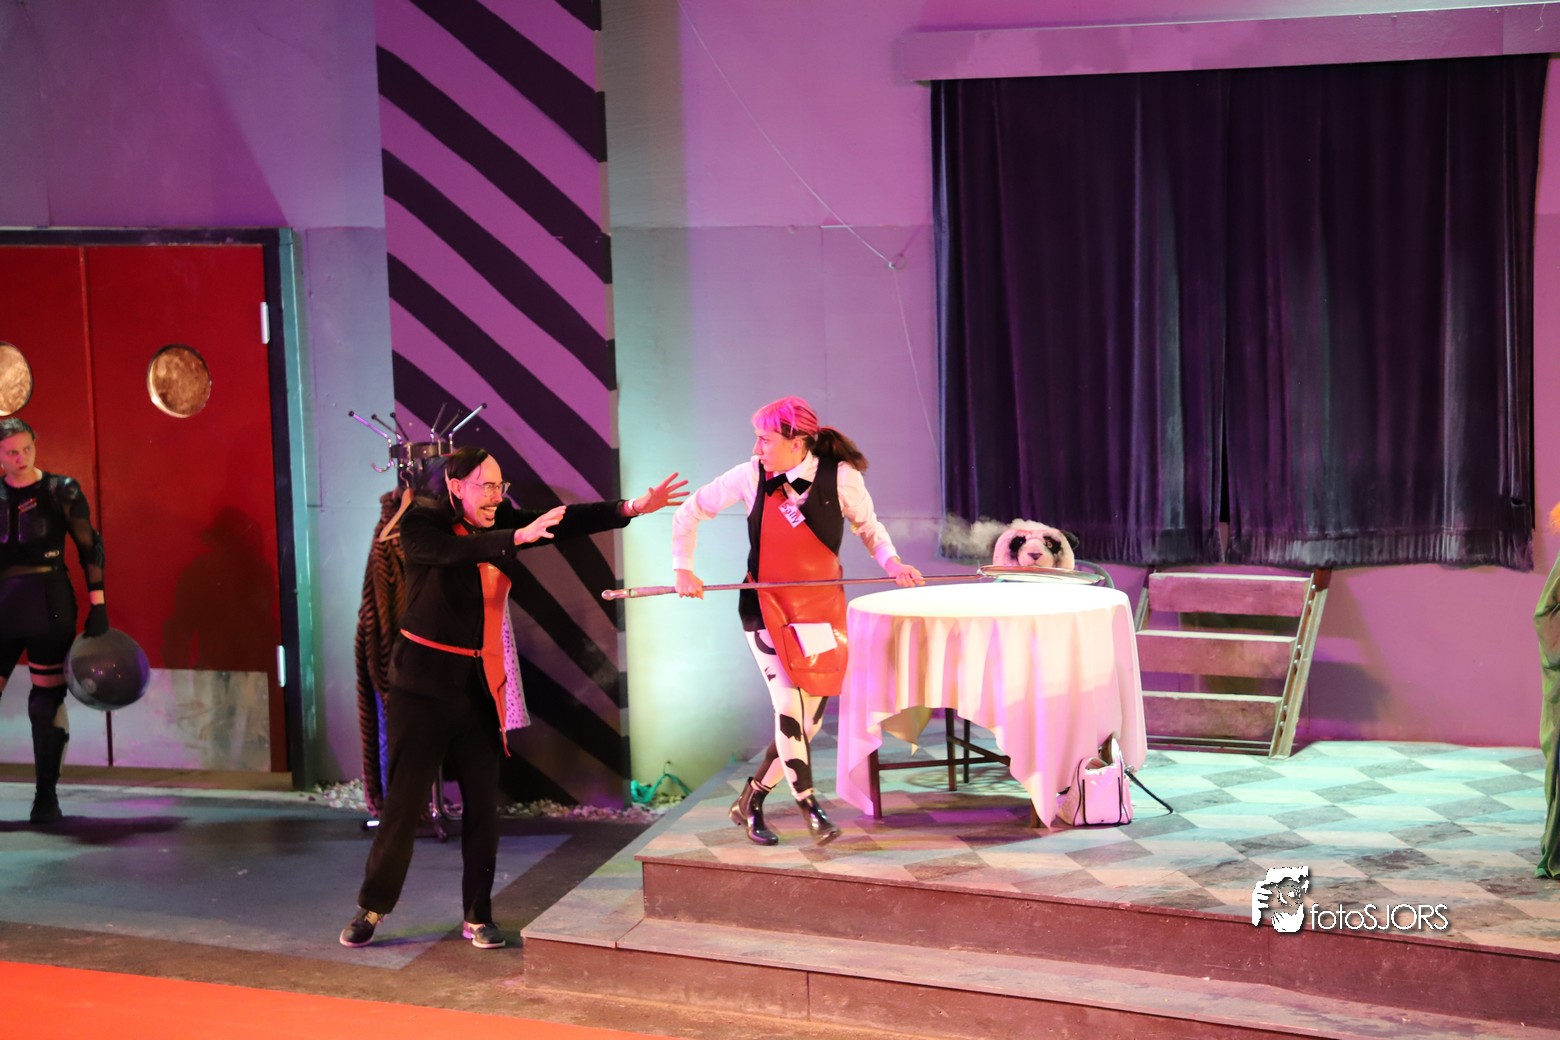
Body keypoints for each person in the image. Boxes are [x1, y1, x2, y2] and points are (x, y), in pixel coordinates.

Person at [340, 447, 687, 948]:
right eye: (487, 486)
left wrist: (631, 507)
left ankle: (478, 915)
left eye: (500, 487)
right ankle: (372, 907)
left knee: (484, 805)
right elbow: (447, 553)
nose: (496, 497)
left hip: (479, 685)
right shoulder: (421, 521)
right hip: (422, 687)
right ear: (456, 486)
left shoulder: (499, 519)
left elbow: (562, 521)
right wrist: (515, 537)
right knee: (404, 803)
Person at [672, 396, 923, 846]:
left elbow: (870, 529)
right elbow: (688, 511)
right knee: (789, 707)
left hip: (819, 612)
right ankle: (811, 807)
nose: (757, 448)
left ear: (797, 441)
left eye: (765, 439)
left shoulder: (842, 477)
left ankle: (751, 799)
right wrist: (683, 569)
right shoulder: (750, 475)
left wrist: (893, 564)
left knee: (808, 726)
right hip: (765, 607)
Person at [0, 416, 109, 824]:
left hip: (49, 602)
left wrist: (98, 603)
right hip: (4, 603)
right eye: (12, 452)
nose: (22, 457)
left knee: (45, 701)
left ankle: (46, 796)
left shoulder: (61, 489)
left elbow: (89, 546)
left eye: (27, 448)